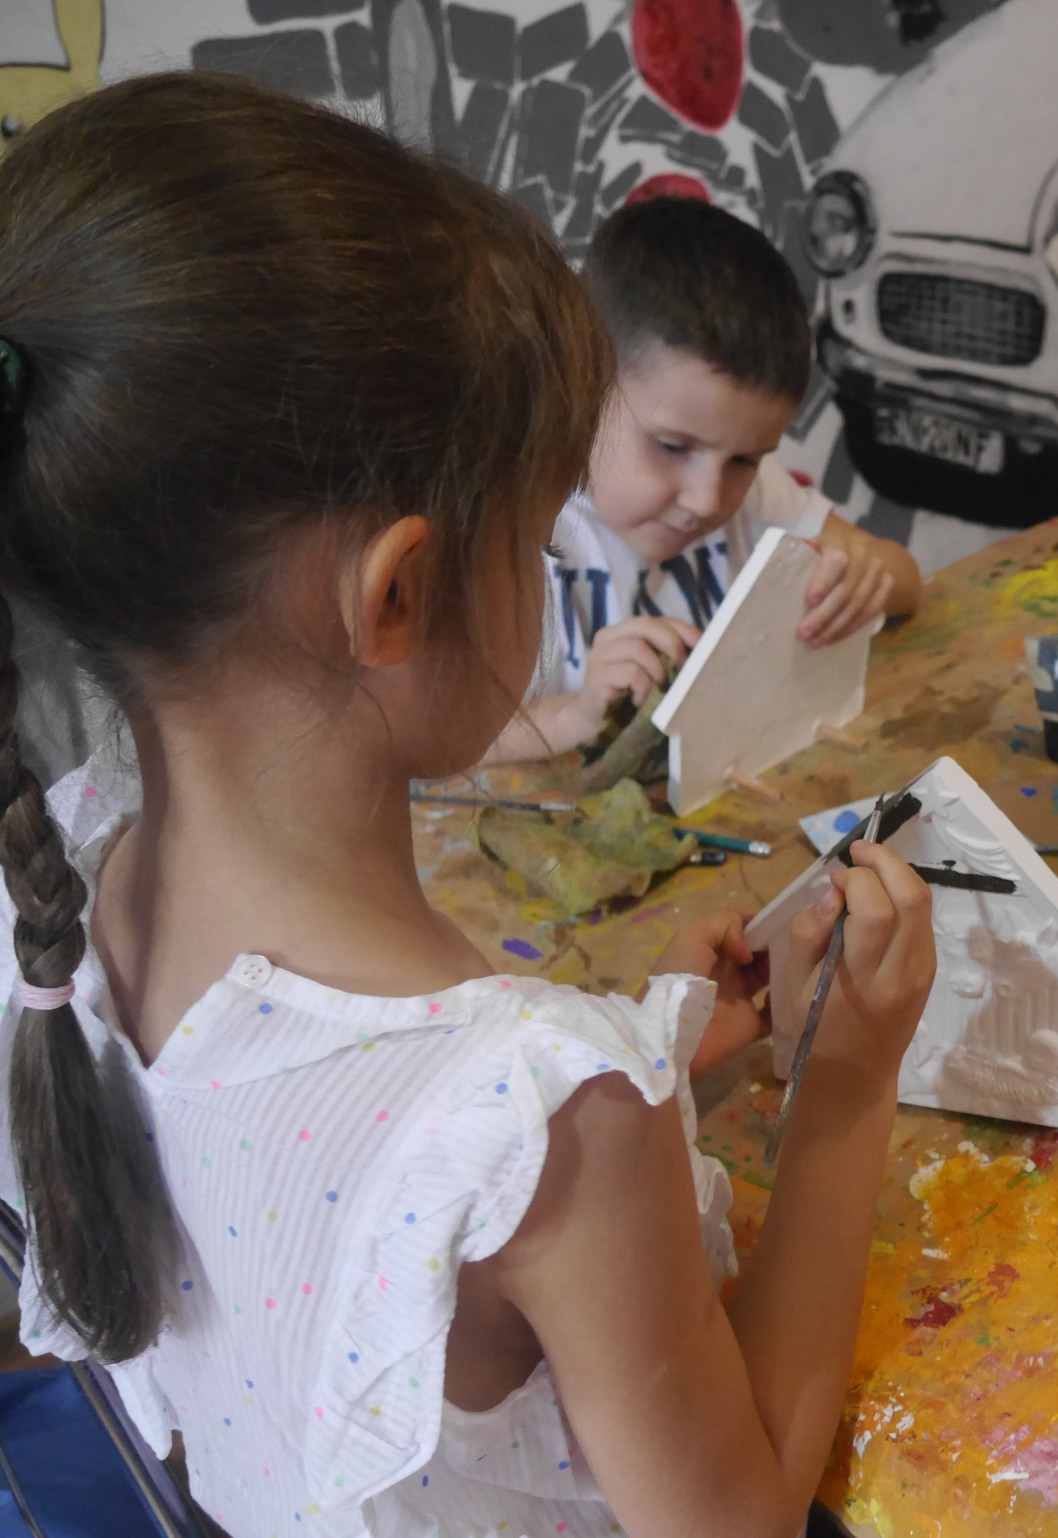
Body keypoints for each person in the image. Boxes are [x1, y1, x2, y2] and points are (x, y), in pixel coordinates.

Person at [0, 73, 936, 1538]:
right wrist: (846, 1085)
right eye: (537, 523)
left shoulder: (60, 896)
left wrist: (655, 1065)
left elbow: (358, 1190)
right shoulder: (548, 1114)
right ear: (399, 595)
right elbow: (741, 1518)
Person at [492, 196, 922, 762]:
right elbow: (437, 746)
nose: (707, 500)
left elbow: (905, 578)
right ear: (582, 387)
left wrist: (867, 581)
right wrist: (574, 717)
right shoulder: (510, 525)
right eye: (672, 447)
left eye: (745, 460)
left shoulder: (757, 498)